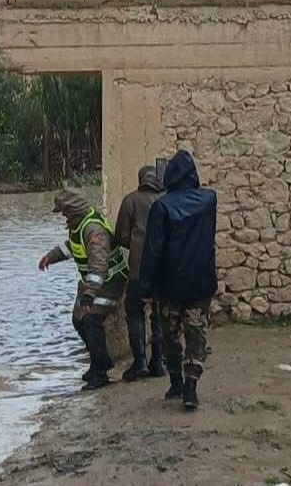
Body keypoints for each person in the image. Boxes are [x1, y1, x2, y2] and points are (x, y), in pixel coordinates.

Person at [139, 150, 218, 410]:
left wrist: (145, 287)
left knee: (169, 335)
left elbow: (152, 250)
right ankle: (191, 386)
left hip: (169, 285)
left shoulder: (161, 206)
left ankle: (176, 382)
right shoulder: (209, 200)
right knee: (196, 334)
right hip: (200, 282)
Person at [39, 190, 128, 391]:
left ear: (72, 210)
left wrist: (89, 294)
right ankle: (100, 362)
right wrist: (50, 257)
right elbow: (71, 247)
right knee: (78, 320)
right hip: (95, 283)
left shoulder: (93, 229)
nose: (63, 216)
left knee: (91, 321)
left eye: (64, 212)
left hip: (110, 282)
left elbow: (99, 265)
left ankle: (100, 373)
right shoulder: (79, 226)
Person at [114, 166, 165, 382]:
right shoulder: (166, 199)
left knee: (135, 311)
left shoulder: (130, 201)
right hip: (162, 269)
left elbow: (121, 235)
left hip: (138, 268)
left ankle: (140, 361)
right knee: (159, 313)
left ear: (141, 180)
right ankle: (158, 361)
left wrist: (136, 246)